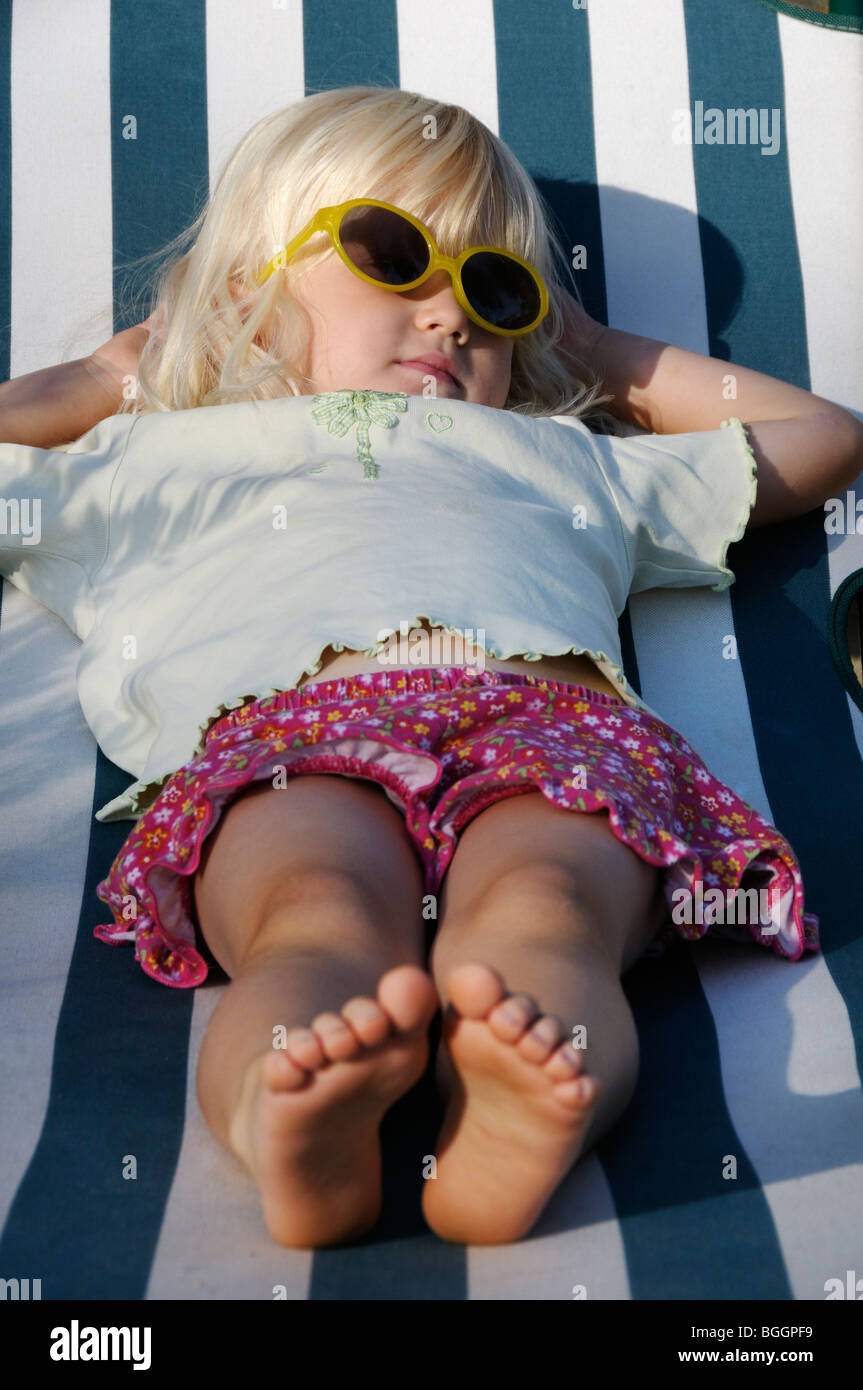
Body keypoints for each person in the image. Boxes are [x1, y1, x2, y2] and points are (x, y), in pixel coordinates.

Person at [1, 86, 860, 1252]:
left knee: (546, 916)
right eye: (392, 255)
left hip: (551, 732)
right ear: (251, 291)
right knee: (311, 917)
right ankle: (288, 1104)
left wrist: (594, 353)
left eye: (492, 290)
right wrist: (99, 386)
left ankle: (521, 1108)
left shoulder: (560, 452)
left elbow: (820, 439)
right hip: (288, 744)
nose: (449, 316)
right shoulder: (146, 455)